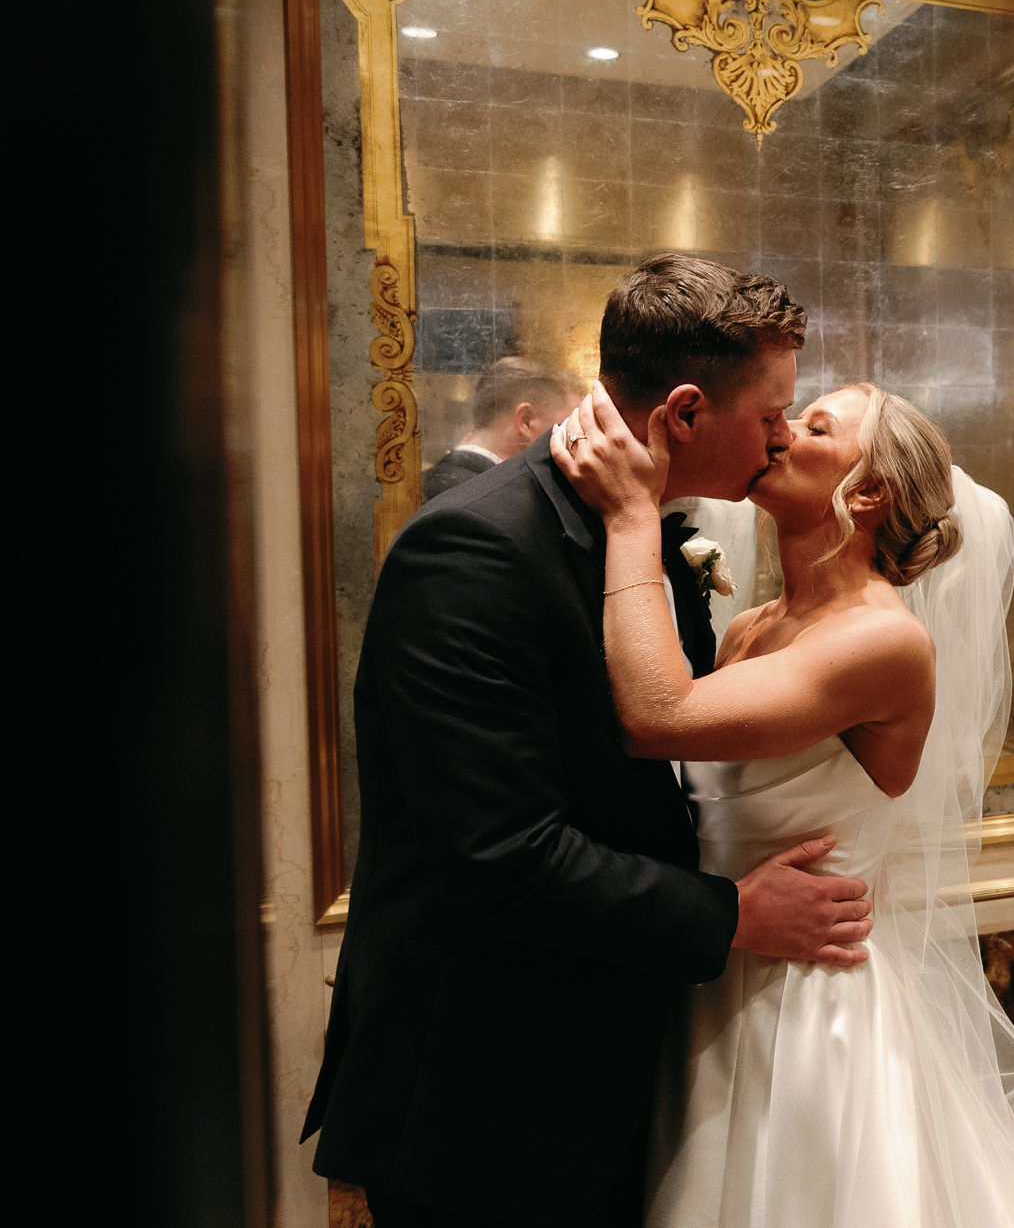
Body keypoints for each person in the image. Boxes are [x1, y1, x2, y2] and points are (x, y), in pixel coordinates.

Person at [301, 254, 876, 1228]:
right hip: (489, 1099)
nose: (782, 435)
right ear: (684, 413)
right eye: (773, 412)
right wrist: (733, 913)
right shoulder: (475, 547)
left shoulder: (640, 526)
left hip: (610, 1060)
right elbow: (500, 855)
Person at [552, 381, 1014, 1227]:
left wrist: (633, 514)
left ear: (869, 492)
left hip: (806, 997)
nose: (779, 432)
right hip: (715, 961)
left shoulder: (882, 640)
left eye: (813, 426)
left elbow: (657, 718)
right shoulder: (749, 627)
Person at [422, 356, 581, 501]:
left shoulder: (426, 481)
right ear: (525, 420)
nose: (567, 442)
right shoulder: (501, 498)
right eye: (560, 428)